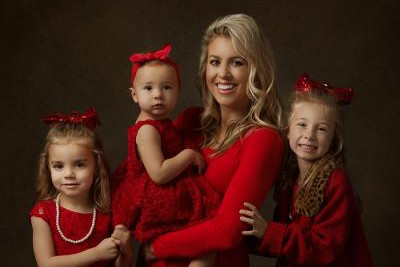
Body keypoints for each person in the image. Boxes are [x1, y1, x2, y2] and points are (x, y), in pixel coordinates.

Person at [142, 14, 284, 267]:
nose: (223, 74)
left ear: (256, 69)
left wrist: (154, 247)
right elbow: (145, 181)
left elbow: (226, 232)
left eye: (237, 62)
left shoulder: (263, 139)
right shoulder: (190, 120)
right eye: (215, 62)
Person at [239, 73, 373, 266]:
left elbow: (323, 249)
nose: (309, 135)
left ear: (333, 140)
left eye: (321, 129)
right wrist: (242, 237)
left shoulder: (335, 183)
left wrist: (268, 231)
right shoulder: (289, 180)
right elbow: (285, 243)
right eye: (302, 124)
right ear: (288, 130)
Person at [111, 44, 221, 267]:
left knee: (201, 243)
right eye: (148, 88)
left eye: (167, 88)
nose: (158, 95)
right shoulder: (147, 130)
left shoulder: (162, 124)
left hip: (163, 190)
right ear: (134, 95)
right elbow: (159, 173)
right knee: (206, 235)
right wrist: (189, 155)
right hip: (156, 196)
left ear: (178, 91)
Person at [29, 108, 133, 267]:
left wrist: (125, 249)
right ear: (48, 168)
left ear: (97, 167)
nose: (69, 174)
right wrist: (96, 253)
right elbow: (46, 264)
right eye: (58, 166)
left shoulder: (107, 213)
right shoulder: (43, 213)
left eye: (79, 165)